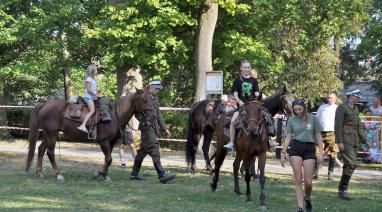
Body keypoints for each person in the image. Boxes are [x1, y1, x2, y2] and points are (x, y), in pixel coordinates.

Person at [280, 99, 323, 212]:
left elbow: (318, 136)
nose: (298, 112)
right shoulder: (292, 120)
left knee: (308, 182)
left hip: (309, 148)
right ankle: (300, 207)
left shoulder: (313, 118)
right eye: (295, 110)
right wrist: (283, 152)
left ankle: (308, 199)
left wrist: (321, 154)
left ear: (304, 107)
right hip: (296, 148)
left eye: (300, 109)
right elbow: (288, 136)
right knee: (298, 180)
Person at [130, 81, 175, 184]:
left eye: (158, 88)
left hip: (153, 128)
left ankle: (134, 174)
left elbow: (159, 115)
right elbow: (136, 111)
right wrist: (143, 120)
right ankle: (161, 175)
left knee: (142, 152)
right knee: (154, 148)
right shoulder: (142, 96)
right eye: (156, 88)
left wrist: (165, 129)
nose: (157, 90)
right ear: (150, 87)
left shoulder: (155, 98)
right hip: (146, 127)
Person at [335, 89, 368, 201]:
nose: (358, 98)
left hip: (354, 140)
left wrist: (365, 140)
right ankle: (342, 190)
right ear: (351, 96)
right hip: (345, 140)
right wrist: (339, 141)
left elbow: (358, 126)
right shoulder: (342, 107)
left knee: (349, 165)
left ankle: (342, 191)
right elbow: (337, 126)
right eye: (357, 96)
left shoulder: (355, 109)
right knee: (351, 163)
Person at [224, 60, 260, 150]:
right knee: (233, 121)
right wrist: (239, 102)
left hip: (252, 106)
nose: (246, 69)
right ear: (241, 68)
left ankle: (268, 141)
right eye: (244, 67)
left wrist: (260, 98)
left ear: (250, 68)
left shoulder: (254, 80)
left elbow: (256, 93)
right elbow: (235, 94)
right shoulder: (237, 80)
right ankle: (232, 142)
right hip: (242, 106)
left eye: (248, 67)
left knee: (266, 117)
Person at [315, 91, 339, 180]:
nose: (330, 99)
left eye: (331, 98)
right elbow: (317, 119)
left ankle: (330, 173)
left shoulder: (338, 108)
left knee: (332, 153)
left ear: (335, 99)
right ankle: (315, 172)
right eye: (328, 98)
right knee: (317, 153)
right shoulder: (322, 107)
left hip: (332, 133)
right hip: (321, 132)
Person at [78, 64, 102, 133]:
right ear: (92, 71)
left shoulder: (92, 80)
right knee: (92, 111)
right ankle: (83, 125)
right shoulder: (89, 79)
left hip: (92, 97)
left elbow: (92, 90)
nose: (97, 71)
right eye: (96, 70)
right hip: (88, 97)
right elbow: (89, 90)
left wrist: (98, 92)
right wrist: (97, 95)